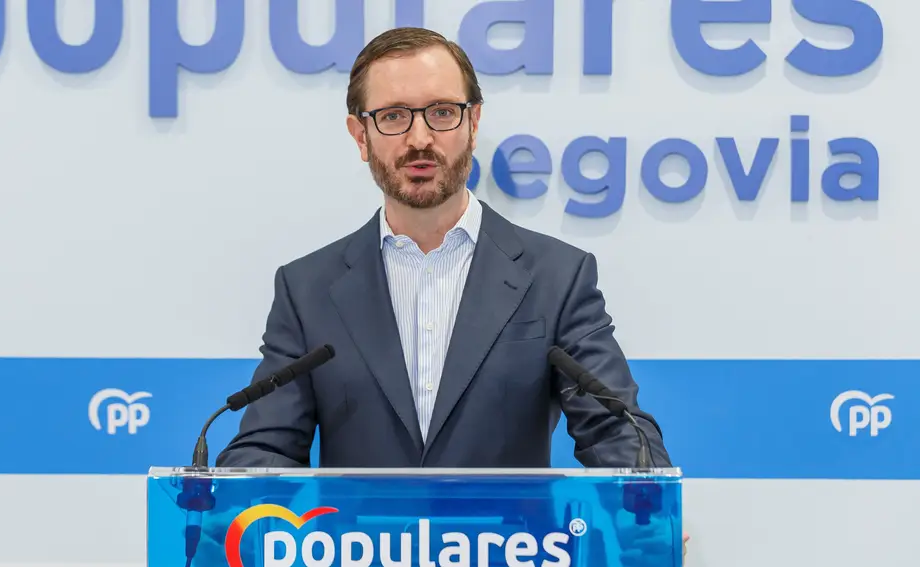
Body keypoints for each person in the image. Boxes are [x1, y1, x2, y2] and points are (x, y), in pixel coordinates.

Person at [213, 26, 688, 562]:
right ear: (359, 134)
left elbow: (615, 428)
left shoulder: (556, 276)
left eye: (442, 111)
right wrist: (237, 508)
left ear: (474, 121)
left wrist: (644, 507)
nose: (420, 138)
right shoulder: (309, 289)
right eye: (393, 116)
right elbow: (266, 445)